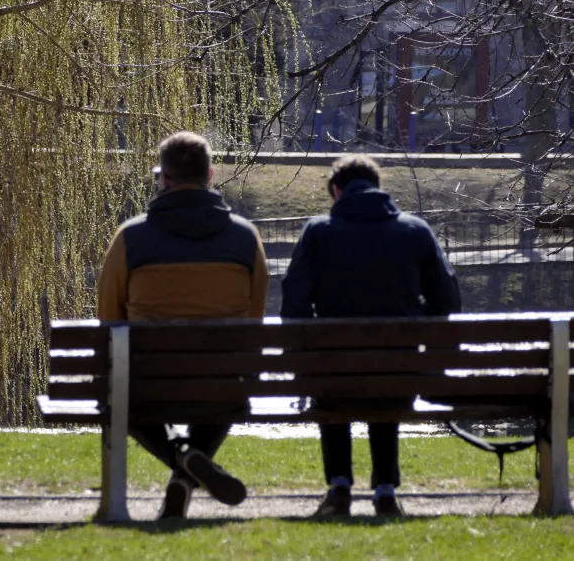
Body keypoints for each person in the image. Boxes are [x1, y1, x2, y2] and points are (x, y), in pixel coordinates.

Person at [96, 131, 269, 520]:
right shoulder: (245, 238)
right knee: (227, 385)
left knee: (124, 396)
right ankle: (185, 472)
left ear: (164, 180)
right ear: (210, 175)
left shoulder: (130, 238)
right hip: (222, 384)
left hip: (149, 384)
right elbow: (253, 321)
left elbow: (109, 320)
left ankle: (182, 459)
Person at [280, 154, 461, 517]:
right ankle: (384, 489)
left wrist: (304, 355)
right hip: (400, 374)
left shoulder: (317, 232)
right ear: (379, 189)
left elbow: (295, 304)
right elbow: (448, 299)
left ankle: (339, 486)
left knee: (332, 376)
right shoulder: (415, 230)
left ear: (336, 191)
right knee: (387, 373)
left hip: (332, 375)